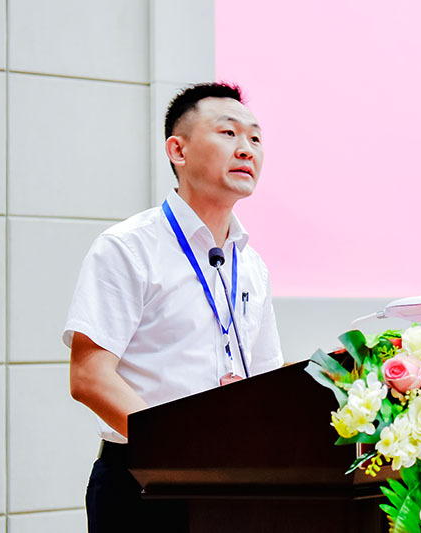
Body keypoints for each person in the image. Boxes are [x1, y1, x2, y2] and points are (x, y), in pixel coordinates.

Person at [63, 82, 284, 532]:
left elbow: (267, 380)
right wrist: (180, 449)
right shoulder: (128, 247)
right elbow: (89, 376)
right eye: (228, 133)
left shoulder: (251, 265)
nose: (247, 149)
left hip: (234, 483)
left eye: (256, 138)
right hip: (142, 484)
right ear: (177, 150)